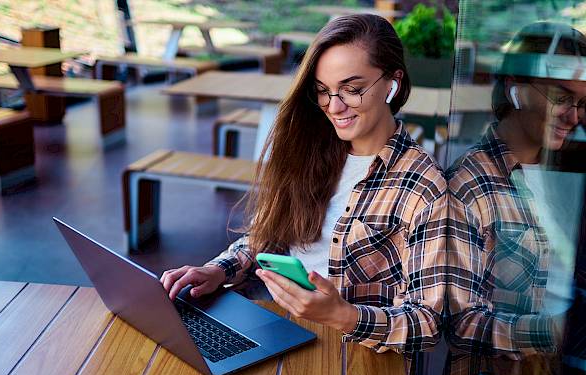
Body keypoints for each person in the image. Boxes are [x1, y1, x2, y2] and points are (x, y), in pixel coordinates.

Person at [161, 14, 447, 356]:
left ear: (393, 83)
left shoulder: (424, 186)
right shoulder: (312, 147)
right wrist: (215, 271)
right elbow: (269, 236)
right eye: (323, 91)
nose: (334, 106)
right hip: (277, 322)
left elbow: (427, 322)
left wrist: (343, 316)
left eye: (353, 90)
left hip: (351, 351)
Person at [445, 21, 586, 375]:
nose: (574, 117)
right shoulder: (470, 182)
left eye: (582, 103)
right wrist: (557, 329)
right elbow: (458, 321)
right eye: (561, 97)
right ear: (516, 89)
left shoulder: (566, 168)